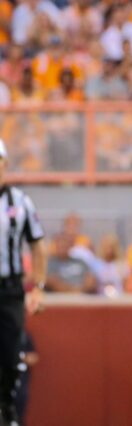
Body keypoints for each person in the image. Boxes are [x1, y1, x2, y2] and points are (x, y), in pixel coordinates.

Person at [0, 139, 47, 426]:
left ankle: (6, 407)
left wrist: (38, 288)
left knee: (8, 355)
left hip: (9, 289)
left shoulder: (20, 201)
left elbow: (38, 245)